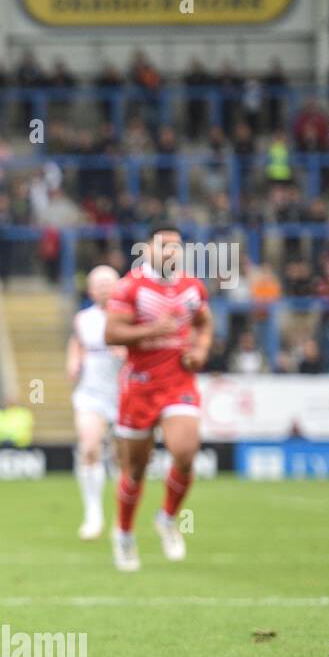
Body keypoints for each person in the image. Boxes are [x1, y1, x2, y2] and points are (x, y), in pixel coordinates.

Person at [105, 227, 213, 572]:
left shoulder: (192, 287)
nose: (170, 252)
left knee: (184, 451)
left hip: (178, 381)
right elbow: (112, 333)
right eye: (163, 246)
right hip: (139, 386)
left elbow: (204, 324)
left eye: (176, 247)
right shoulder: (129, 287)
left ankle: (167, 517)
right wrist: (153, 330)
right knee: (135, 469)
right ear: (147, 249)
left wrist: (200, 350)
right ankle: (123, 533)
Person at [66, 265, 123, 540]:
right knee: (89, 448)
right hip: (91, 393)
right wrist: (74, 361)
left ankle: (123, 519)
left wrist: (124, 350)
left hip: (124, 394)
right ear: (90, 290)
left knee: (123, 459)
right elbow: (77, 343)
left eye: (107, 283)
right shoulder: (83, 319)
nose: (103, 288)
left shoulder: (129, 316)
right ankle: (93, 514)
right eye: (97, 284)